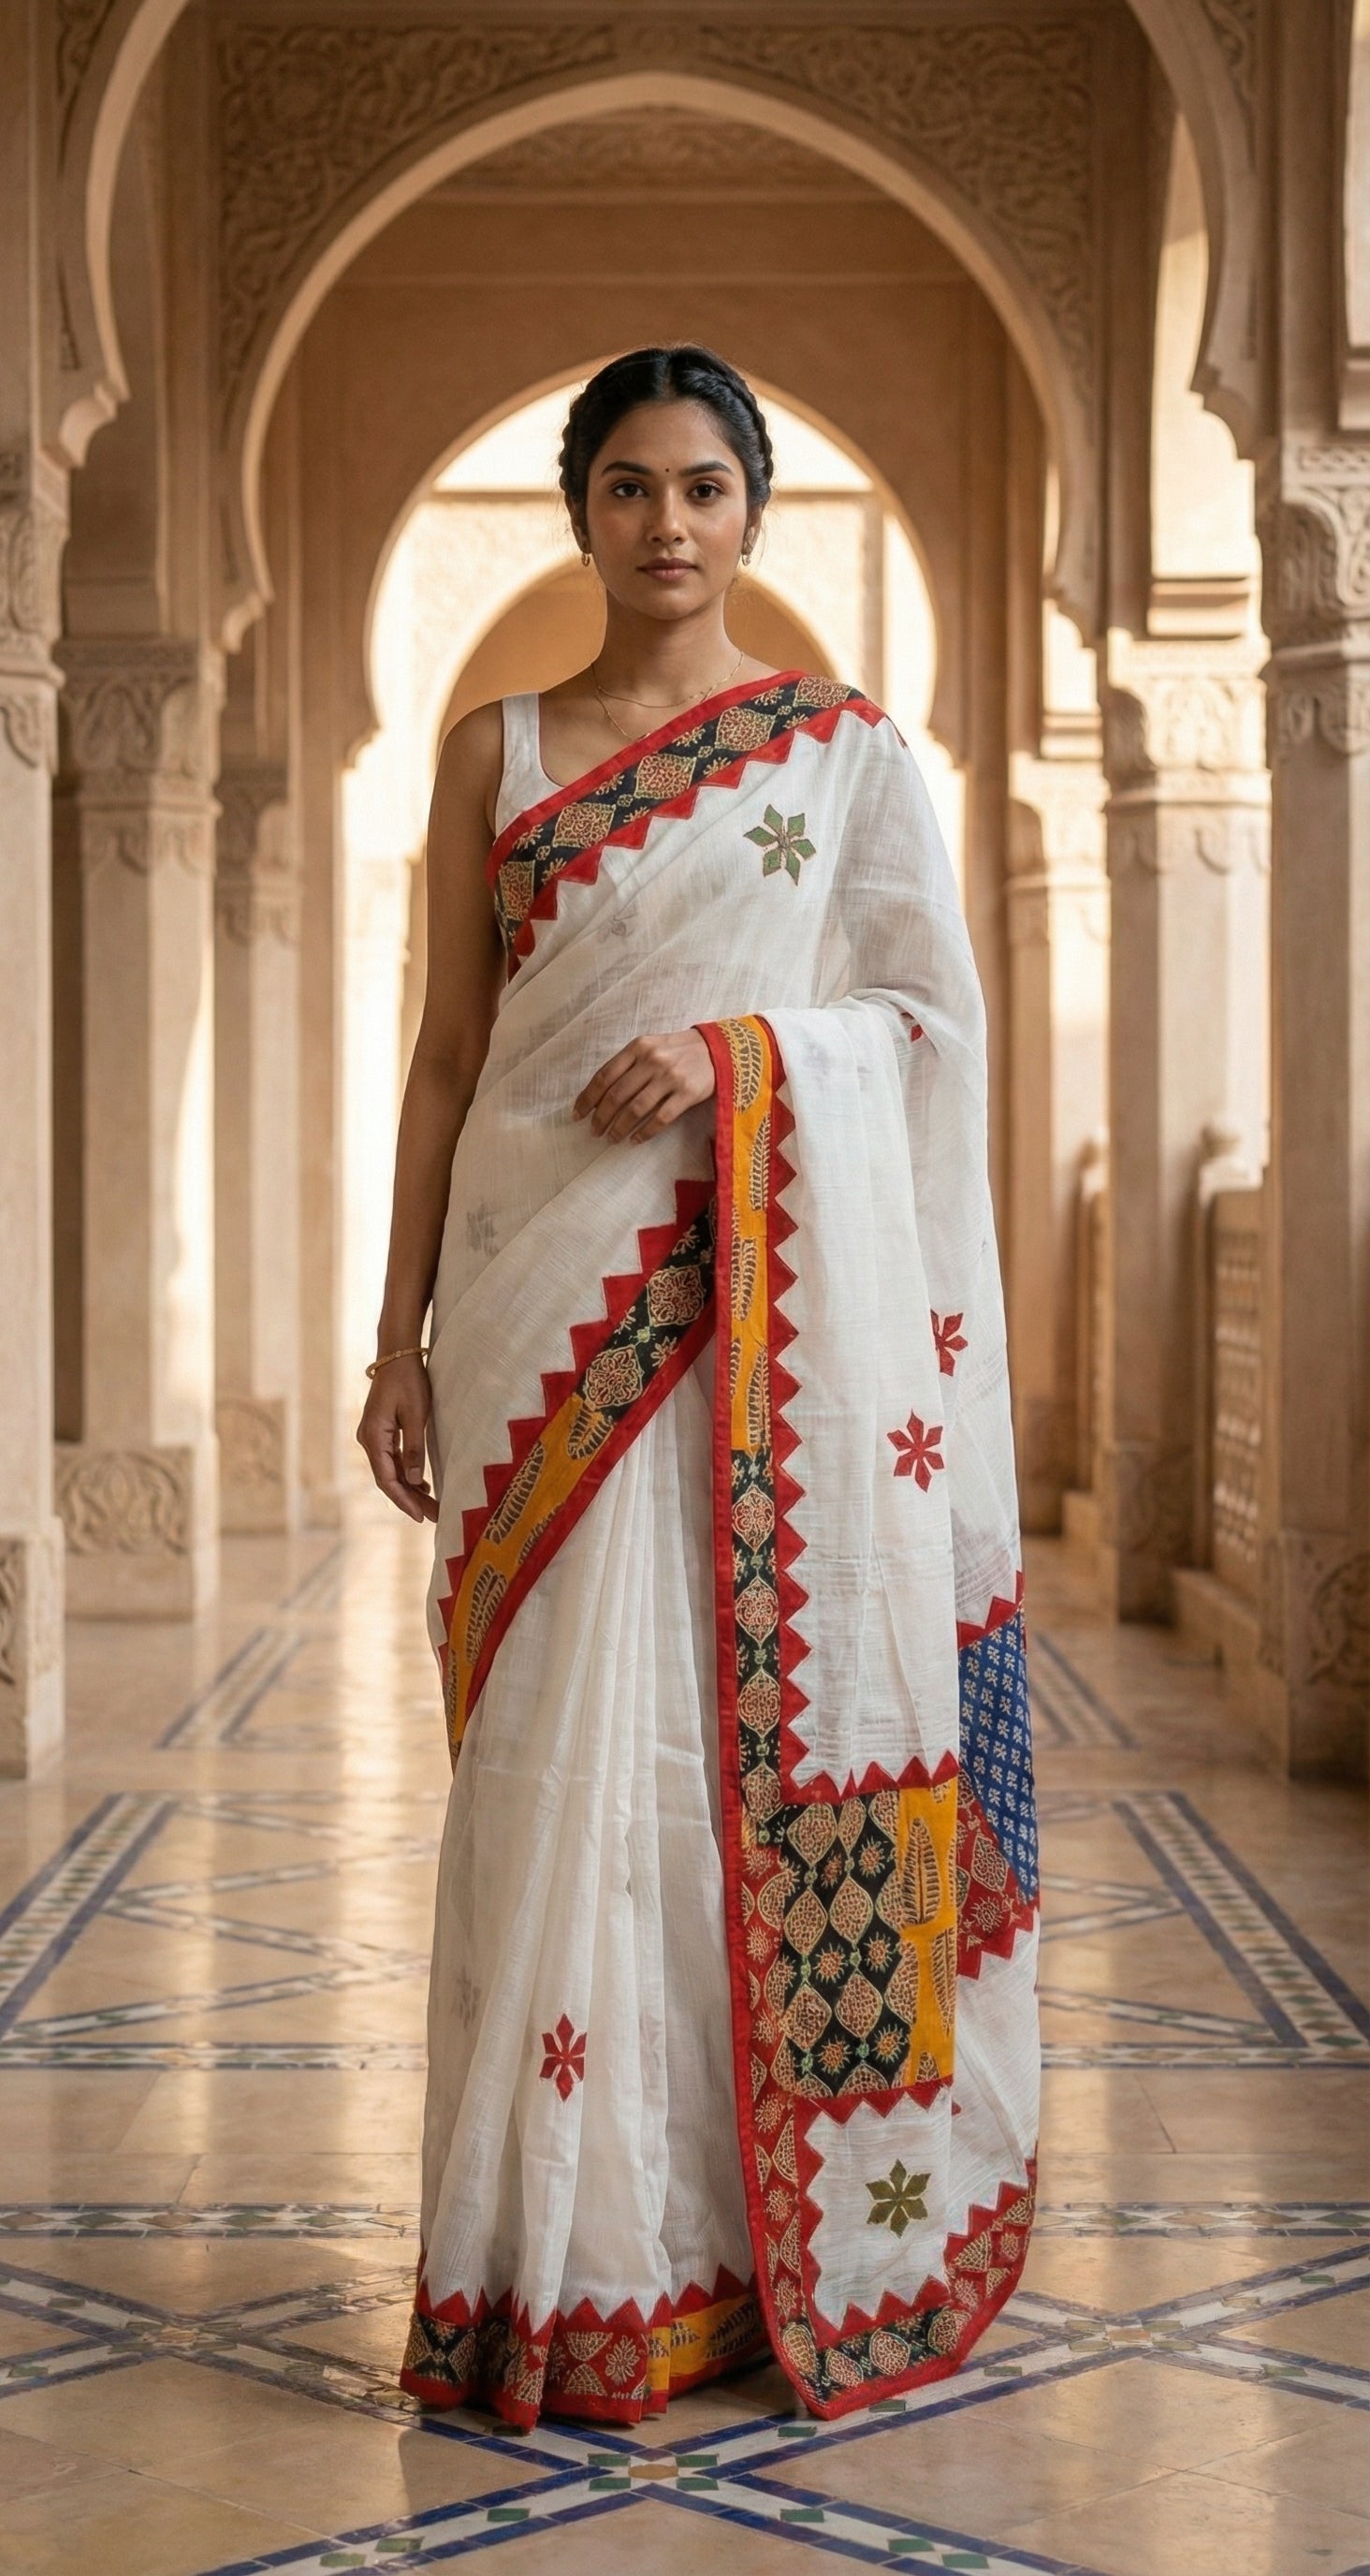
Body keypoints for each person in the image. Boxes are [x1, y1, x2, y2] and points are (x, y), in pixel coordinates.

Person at [357, 344, 1039, 2432]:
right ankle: (549, 2261)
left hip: (761, 1329)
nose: (669, 524)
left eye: (709, 487)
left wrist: (747, 1058)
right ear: (581, 508)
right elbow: (449, 1061)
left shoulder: (843, 759)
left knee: (743, 1756)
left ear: (756, 511)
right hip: (534, 1302)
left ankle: (749, 2251)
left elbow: (925, 1023)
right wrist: (395, 1334)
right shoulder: (495, 751)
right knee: (559, 1772)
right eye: (632, 485)